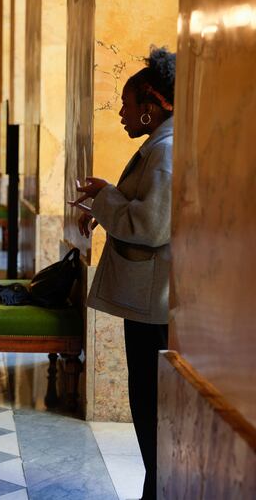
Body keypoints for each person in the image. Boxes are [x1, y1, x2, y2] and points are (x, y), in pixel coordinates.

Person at [72, 47, 175, 500]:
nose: (120, 114)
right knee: (148, 411)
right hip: (150, 301)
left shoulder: (166, 149)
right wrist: (106, 199)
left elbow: (150, 225)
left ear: (150, 109)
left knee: (152, 412)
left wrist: (106, 199)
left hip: (156, 307)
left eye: (127, 105)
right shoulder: (161, 144)